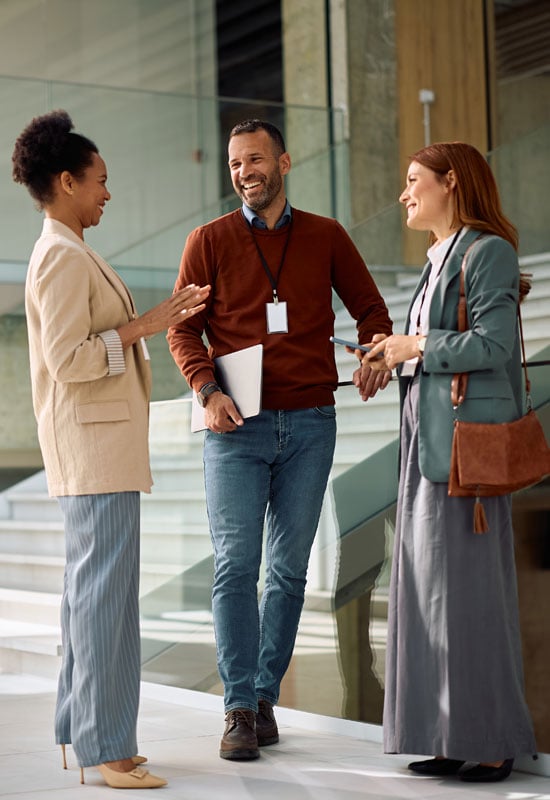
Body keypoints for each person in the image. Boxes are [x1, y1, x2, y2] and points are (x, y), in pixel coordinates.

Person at [167, 118, 392, 760]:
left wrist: (375, 351)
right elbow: (182, 330)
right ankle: (238, 706)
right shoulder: (208, 241)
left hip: (311, 424)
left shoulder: (326, 235)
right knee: (237, 565)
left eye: (255, 160)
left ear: (284, 164)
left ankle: (264, 699)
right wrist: (207, 390)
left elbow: (371, 310)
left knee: (288, 571)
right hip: (235, 426)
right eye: (235, 164)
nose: (245, 172)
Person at [12, 110, 210, 790]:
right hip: (93, 452)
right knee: (104, 603)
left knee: (90, 599)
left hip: (95, 450)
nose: (107, 193)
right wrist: (145, 325)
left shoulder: (67, 250)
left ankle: (85, 735)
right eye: (99, 180)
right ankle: (107, 749)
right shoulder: (62, 257)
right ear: (67, 182)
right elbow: (69, 360)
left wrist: (141, 326)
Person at [359, 141, 537, 782]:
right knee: (428, 594)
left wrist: (414, 345)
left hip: (466, 448)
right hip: (429, 441)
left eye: (414, 180)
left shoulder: (487, 251)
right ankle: (447, 734)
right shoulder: (438, 260)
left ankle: (491, 740)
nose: (404, 193)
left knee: (469, 595)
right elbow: (435, 347)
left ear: (452, 182)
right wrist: (391, 354)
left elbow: (491, 344)